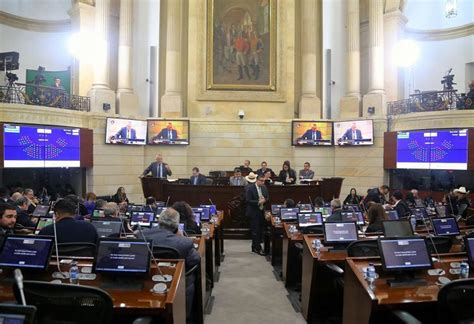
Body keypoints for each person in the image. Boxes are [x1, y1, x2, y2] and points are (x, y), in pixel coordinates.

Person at [142, 208, 200, 318]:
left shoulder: (142, 235)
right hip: (175, 281)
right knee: (191, 276)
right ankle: (186, 315)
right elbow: (195, 260)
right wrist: (182, 237)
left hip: (148, 277)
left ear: (159, 220)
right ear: (177, 225)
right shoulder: (184, 242)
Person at [246, 175, 269, 255]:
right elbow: (248, 200)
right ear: (257, 180)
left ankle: (255, 247)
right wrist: (258, 202)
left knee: (261, 230)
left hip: (262, 212)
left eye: (264, 181)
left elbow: (267, 198)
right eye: (261, 181)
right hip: (254, 212)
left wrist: (264, 200)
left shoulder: (264, 187)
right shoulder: (250, 188)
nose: (263, 182)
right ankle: (257, 248)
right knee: (255, 230)